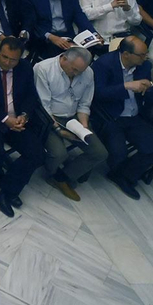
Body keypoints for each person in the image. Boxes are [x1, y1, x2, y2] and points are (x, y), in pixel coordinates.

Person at [0, 37, 46, 215]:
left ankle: (6, 190)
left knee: (37, 154)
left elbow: (30, 95)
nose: (7, 62)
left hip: (17, 120)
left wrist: (24, 116)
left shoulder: (25, 68)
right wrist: (5, 118)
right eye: (4, 57)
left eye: (13, 60)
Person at [33, 46, 109, 199]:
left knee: (100, 152)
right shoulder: (43, 69)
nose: (76, 74)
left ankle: (61, 177)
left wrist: (84, 128)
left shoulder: (87, 73)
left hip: (74, 117)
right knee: (58, 153)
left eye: (80, 71)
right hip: (49, 118)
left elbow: (84, 104)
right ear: (64, 58)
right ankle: (52, 171)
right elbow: (43, 106)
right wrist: (59, 130)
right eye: (74, 70)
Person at [90, 37, 153, 198]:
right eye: (141, 55)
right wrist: (126, 86)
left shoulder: (144, 66)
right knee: (118, 153)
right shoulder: (103, 65)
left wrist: (149, 87)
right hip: (111, 116)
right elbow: (97, 94)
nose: (145, 58)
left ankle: (123, 176)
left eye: (146, 54)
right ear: (127, 54)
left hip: (134, 116)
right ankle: (120, 170)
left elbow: (150, 93)